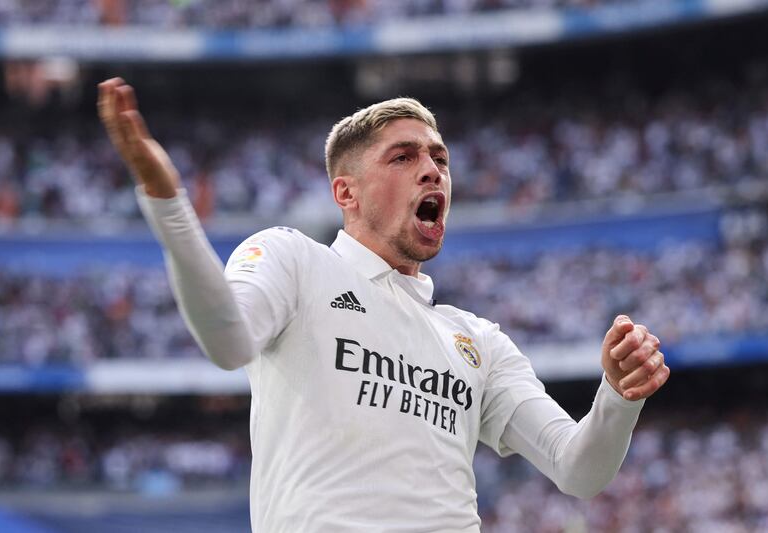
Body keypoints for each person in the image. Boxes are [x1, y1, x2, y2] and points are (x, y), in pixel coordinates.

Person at [97, 77, 670, 532]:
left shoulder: (478, 340)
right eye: (403, 157)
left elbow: (578, 468)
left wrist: (617, 396)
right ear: (346, 192)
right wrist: (168, 201)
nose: (432, 169)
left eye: (439, 158)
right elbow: (226, 341)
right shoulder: (294, 260)